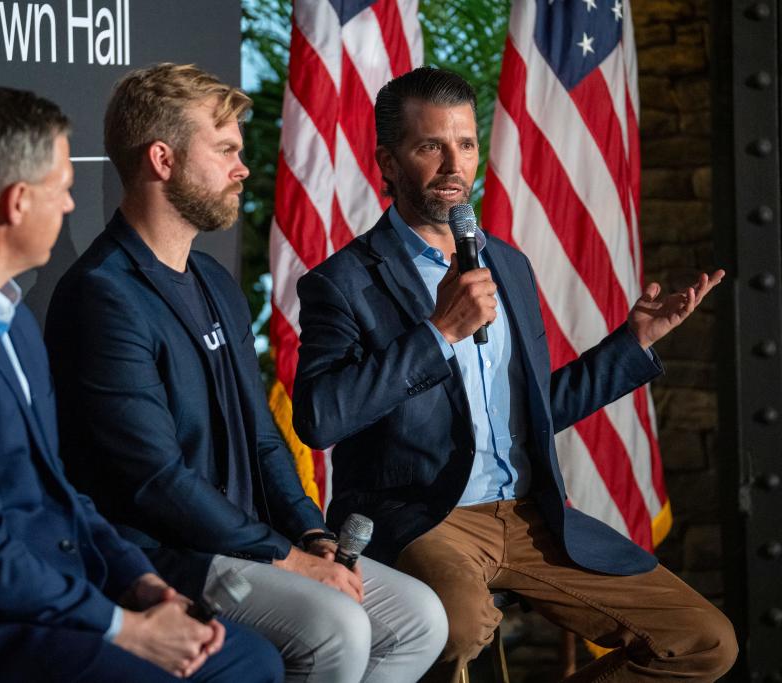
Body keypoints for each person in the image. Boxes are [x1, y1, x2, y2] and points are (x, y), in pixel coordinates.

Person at [291, 66, 738, 682]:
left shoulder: (506, 262)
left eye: (467, 144)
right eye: (430, 146)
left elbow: (531, 410)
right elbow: (319, 418)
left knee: (704, 641)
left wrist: (634, 342)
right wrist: (438, 332)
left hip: (530, 514)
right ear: (387, 163)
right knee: (459, 624)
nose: (455, 164)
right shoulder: (342, 282)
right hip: (427, 516)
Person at [45, 63, 447, 683]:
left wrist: (312, 533)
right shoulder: (103, 296)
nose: (242, 167)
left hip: (250, 542)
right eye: (226, 149)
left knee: (422, 617)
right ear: (163, 160)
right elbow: (156, 481)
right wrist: (288, 559)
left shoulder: (213, 281)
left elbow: (263, 438)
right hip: (169, 557)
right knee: (337, 625)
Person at [0, 86, 282, 683]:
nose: (69, 208)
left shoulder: (6, 314)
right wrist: (124, 628)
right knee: (240, 667)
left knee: (248, 657)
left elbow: (61, 493)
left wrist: (140, 583)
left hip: (53, 593)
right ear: (15, 203)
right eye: (62, 188)